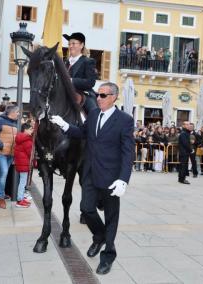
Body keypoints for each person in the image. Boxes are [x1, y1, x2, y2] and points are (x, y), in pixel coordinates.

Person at [50, 82, 135, 275]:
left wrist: (123, 179)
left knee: (111, 218)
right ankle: (99, 236)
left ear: (114, 97)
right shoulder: (94, 114)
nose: (98, 98)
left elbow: (128, 152)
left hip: (111, 177)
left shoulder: (124, 120)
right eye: (98, 94)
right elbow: (82, 133)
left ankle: (108, 255)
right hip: (89, 172)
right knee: (86, 209)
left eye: (103, 95)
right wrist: (64, 125)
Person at [63, 32, 97, 113]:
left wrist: (71, 80)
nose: (70, 46)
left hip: (83, 94)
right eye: (69, 44)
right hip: (65, 94)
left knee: (94, 112)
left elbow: (90, 82)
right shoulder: (65, 62)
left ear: (81, 45)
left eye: (73, 43)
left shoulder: (88, 61)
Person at [0, 105, 19, 209]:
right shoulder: (0, 121)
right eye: (17, 112)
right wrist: (0, 145)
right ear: (11, 112)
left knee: (2, 174)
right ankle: (1, 197)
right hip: (1, 152)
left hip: (11, 153)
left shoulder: (16, 123)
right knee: (4, 173)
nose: (18, 114)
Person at [13, 123, 34, 208]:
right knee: (23, 182)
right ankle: (19, 200)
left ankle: (21, 197)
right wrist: (34, 162)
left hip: (21, 163)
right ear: (25, 130)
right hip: (24, 163)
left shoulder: (20, 137)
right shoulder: (27, 140)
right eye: (30, 129)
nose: (32, 131)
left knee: (22, 181)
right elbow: (31, 153)